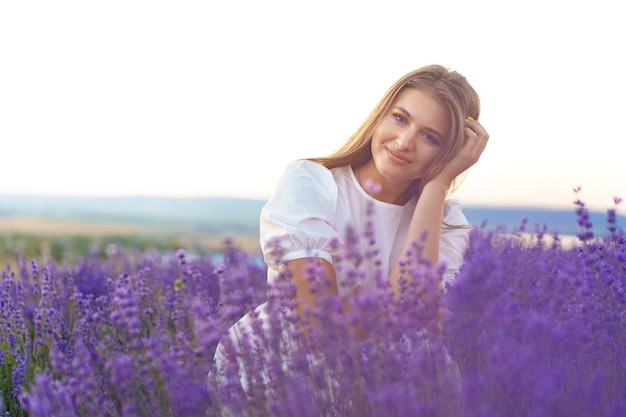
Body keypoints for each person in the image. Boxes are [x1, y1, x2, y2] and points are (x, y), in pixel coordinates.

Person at [213, 64, 489, 393]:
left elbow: (413, 310)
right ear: (380, 116)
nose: (404, 142)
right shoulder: (311, 182)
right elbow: (320, 327)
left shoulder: (446, 220)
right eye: (400, 118)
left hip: (389, 376)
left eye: (430, 137)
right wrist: (391, 311)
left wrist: (437, 185)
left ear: (451, 151)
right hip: (286, 368)